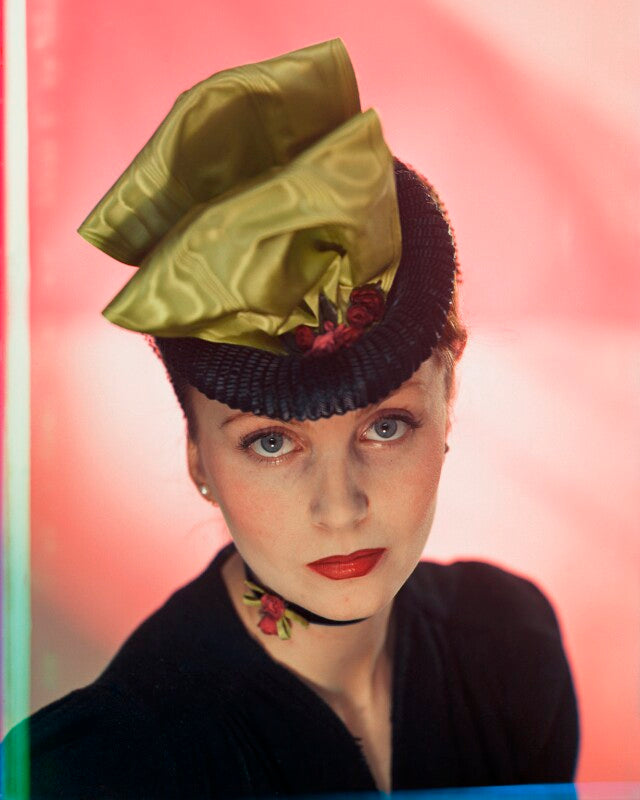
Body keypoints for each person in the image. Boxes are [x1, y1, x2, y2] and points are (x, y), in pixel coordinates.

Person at [5, 39, 579, 798]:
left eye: (386, 426)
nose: (339, 509)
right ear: (197, 456)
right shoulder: (98, 770)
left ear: (448, 400)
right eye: (271, 442)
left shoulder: (510, 655)